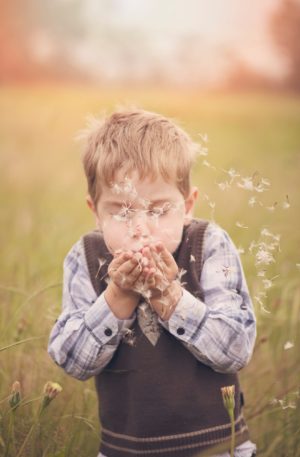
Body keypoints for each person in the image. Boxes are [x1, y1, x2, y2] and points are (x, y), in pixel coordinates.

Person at [48, 109, 257, 457]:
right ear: (95, 211)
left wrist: (171, 298)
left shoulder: (210, 245)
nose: (141, 228)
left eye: (159, 210)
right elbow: (72, 361)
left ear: (188, 205)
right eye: (122, 211)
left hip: (218, 447)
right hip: (123, 450)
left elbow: (236, 349)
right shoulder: (86, 256)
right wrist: (116, 296)